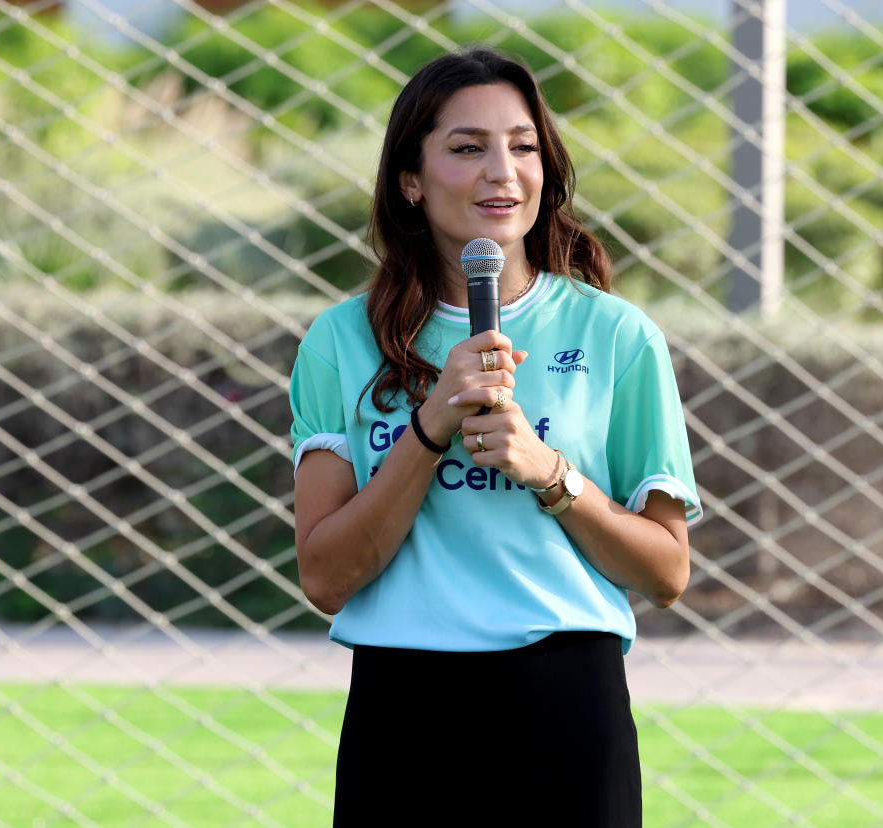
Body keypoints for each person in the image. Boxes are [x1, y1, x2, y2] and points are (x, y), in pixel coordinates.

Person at [289, 47, 702, 827]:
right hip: (403, 706)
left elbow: (667, 574)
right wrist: (432, 422)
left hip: (568, 701)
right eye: (467, 147)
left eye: (522, 145)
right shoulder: (340, 340)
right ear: (410, 180)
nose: (502, 172)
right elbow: (326, 577)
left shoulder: (619, 336)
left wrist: (550, 473)